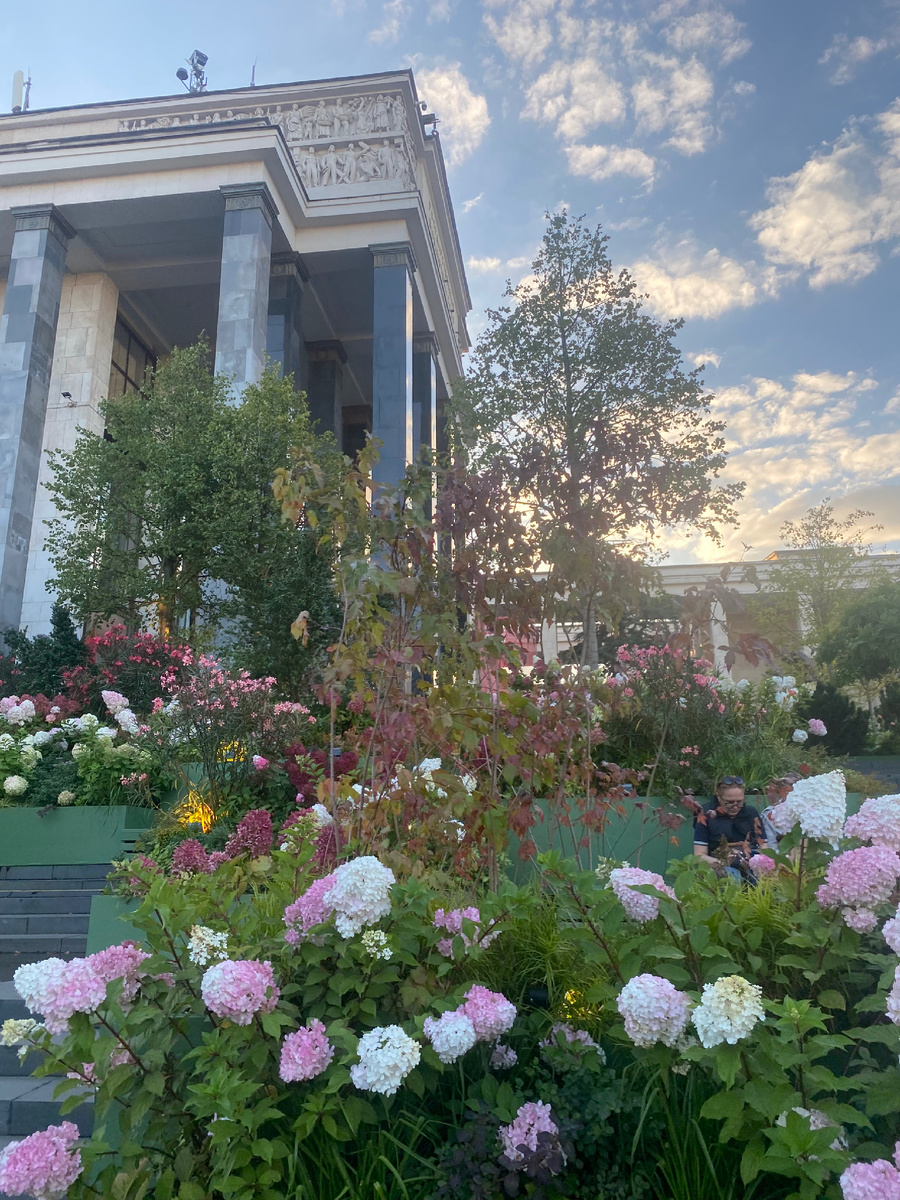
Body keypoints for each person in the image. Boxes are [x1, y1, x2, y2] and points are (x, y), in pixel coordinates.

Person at [693, 775, 765, 881]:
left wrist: (756, 863)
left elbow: (764, 846)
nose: (735, 806)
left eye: (740, 802)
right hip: (718, 865)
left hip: (750, 864)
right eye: (730, 802)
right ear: (719, 798)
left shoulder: (751, 813)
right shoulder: (706, 815)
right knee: (732, 877)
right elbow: (698, 855)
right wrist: (722, 863)